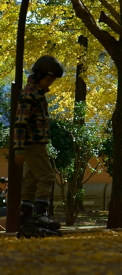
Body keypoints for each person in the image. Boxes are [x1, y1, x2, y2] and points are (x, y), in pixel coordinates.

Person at [11, 55, 65, 233]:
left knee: (33, 179)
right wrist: (19, 149)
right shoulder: (29, 95)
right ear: (39, 75)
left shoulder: (37, 94)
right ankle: (40, 213)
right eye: (49, 79)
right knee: (48, 176)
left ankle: (25, 216)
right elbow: (20, 123)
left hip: (37, 144)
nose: (50, 83)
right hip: (33, 144)